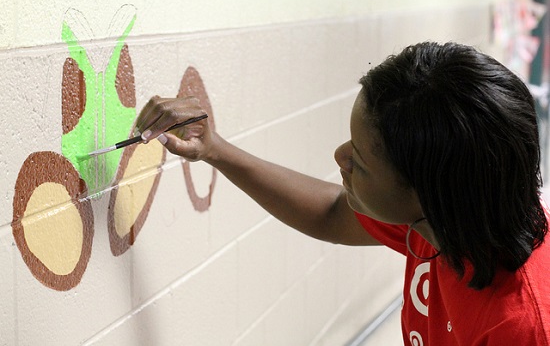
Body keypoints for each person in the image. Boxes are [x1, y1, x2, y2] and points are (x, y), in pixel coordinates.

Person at [135, 42, 550, 345]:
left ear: (427, 195)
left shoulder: (522, 327)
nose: (339, 156)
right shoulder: (457, 216)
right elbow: (332, 213)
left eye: (361, 161)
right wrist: (215, 149)